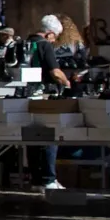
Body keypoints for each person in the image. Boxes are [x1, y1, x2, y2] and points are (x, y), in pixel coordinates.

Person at [25, 14, 76, 190]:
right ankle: (48, 178)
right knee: (50, 134)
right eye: (55, 37)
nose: (54, 41)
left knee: (31, 137)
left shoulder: (25, 43)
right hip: (44, 94)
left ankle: (36, 179)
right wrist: (67, 82)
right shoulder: (45, 45)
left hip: (26, 95)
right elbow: (55, 72)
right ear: (49, 34)